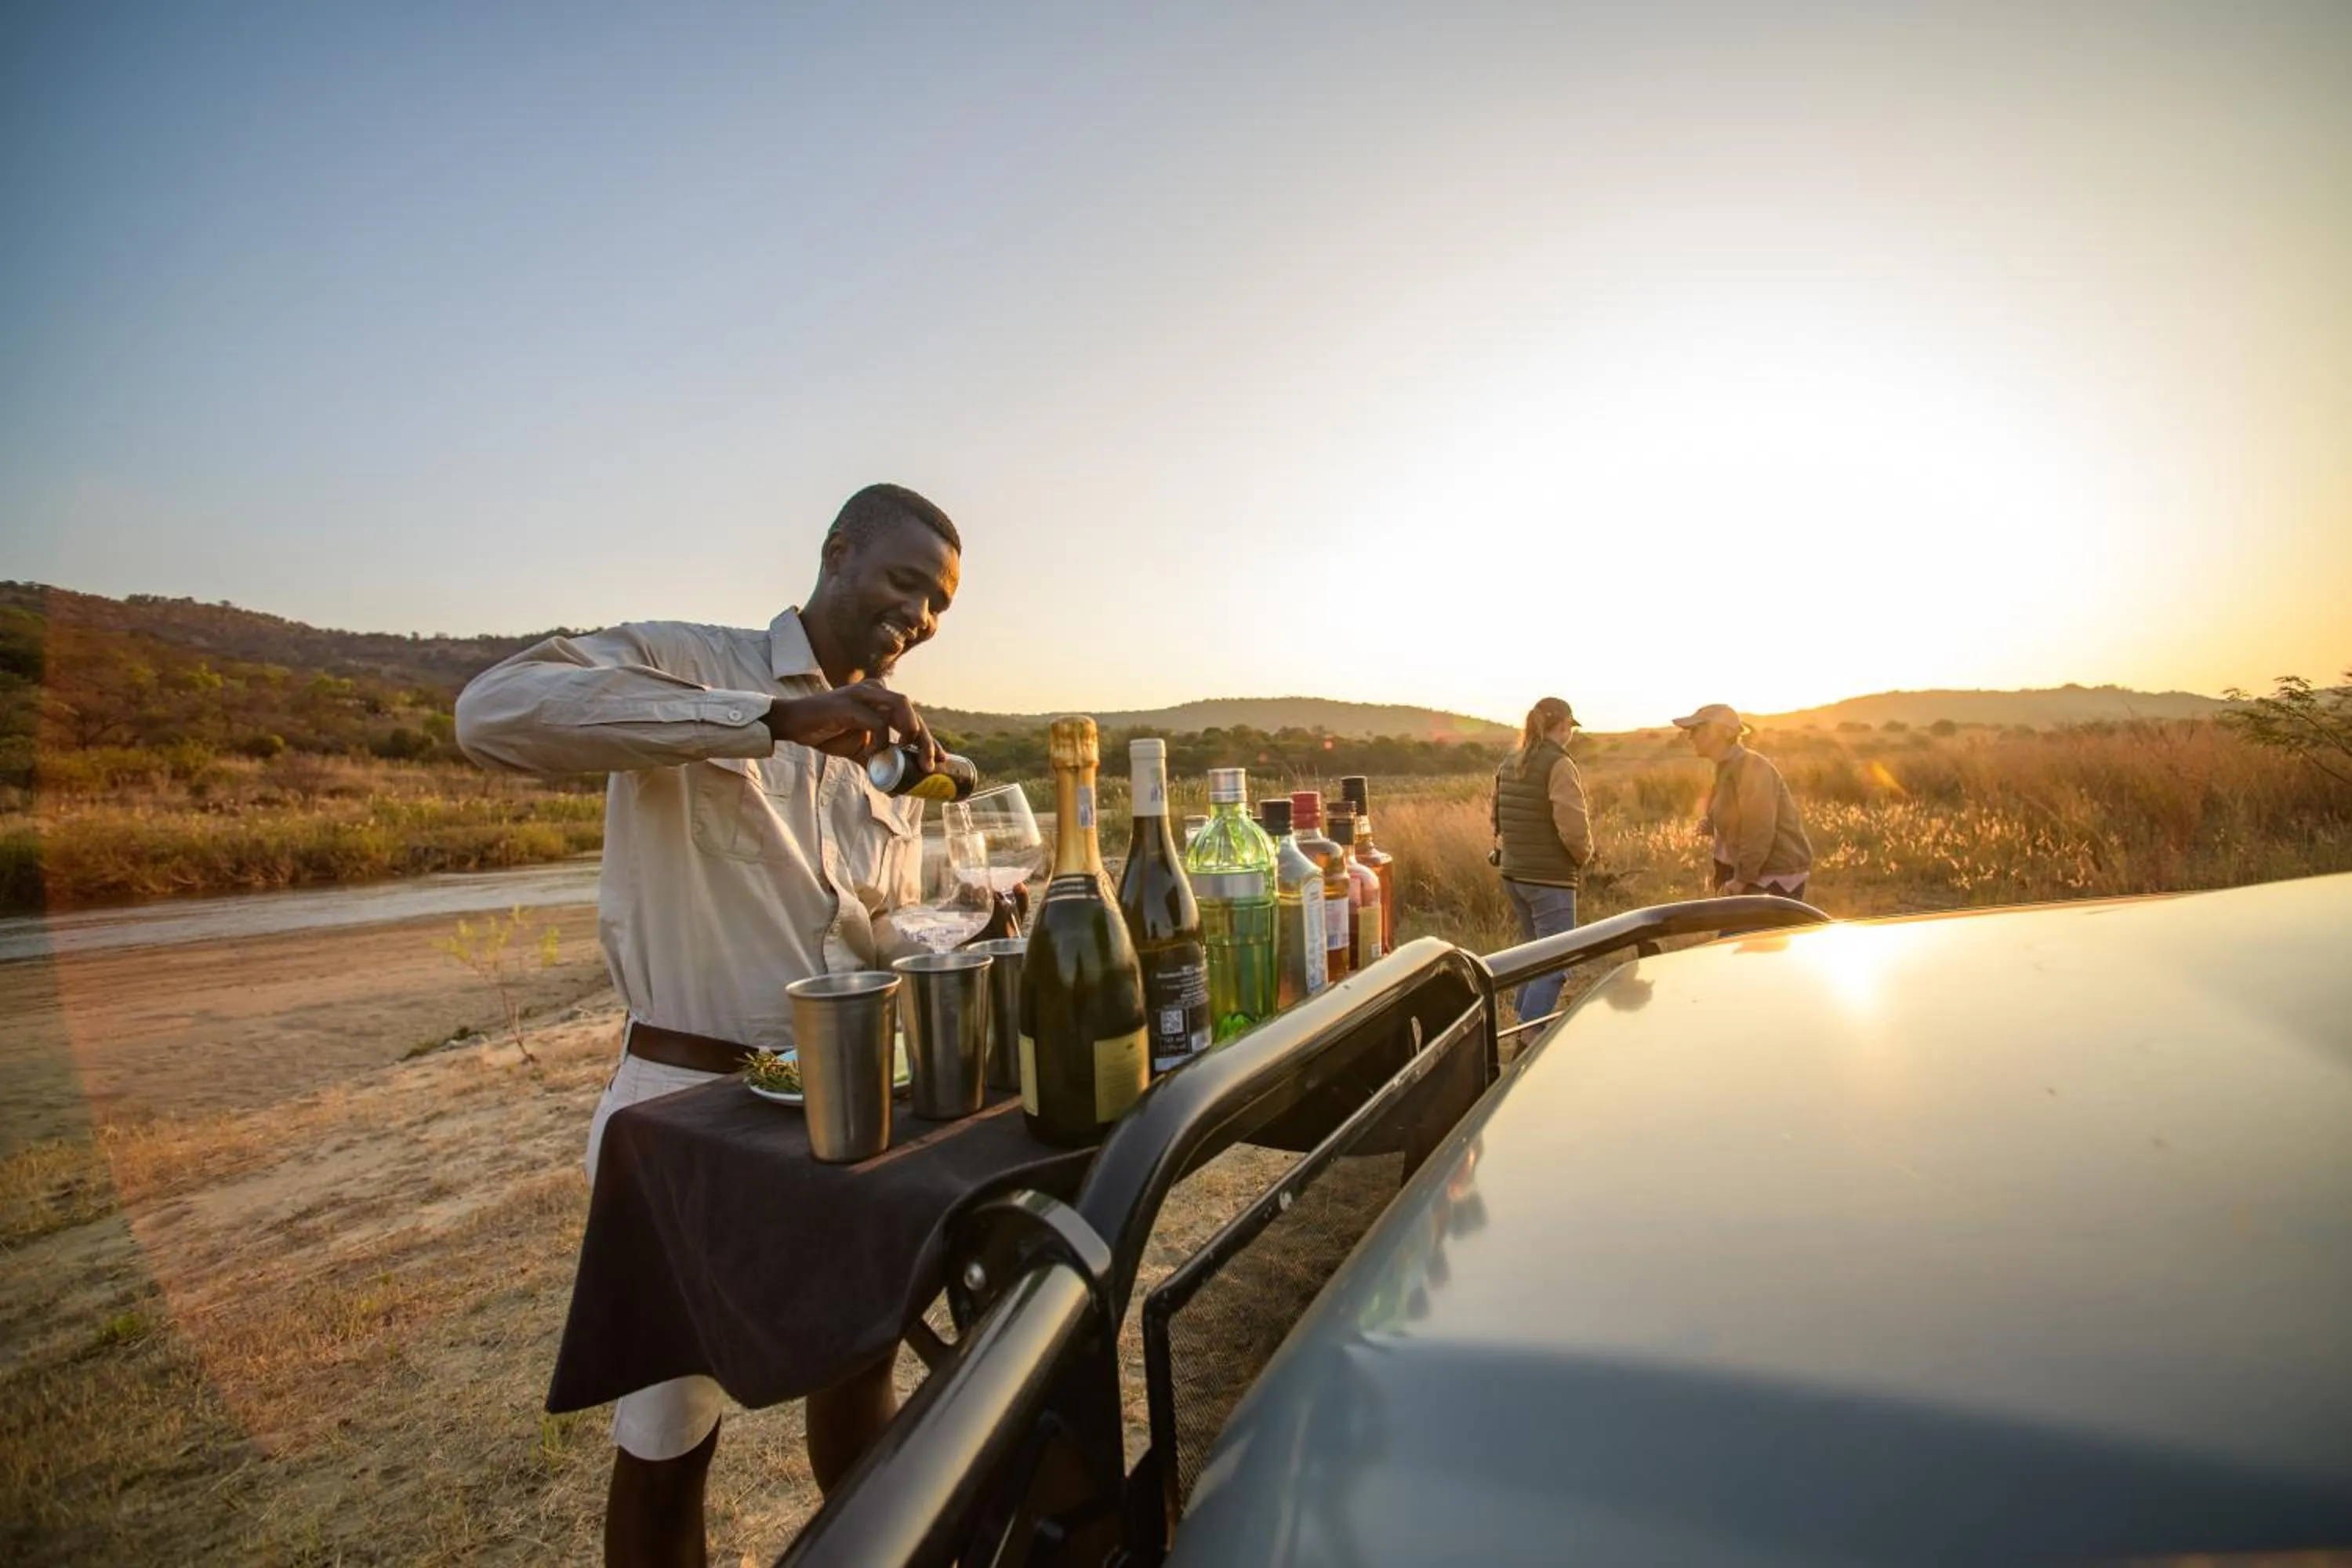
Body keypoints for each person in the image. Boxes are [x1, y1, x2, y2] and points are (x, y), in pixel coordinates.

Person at [456, 481, 975, 1566]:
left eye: (939, 604)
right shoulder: (697, 664)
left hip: (840, 1108)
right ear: (838, 552)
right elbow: (491, 715)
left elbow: (866, 930)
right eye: (904, 580)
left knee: (861, 1372)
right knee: (669, 1443)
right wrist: (767, 720)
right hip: (687, 1118)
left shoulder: (885, 748)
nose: (919, 616)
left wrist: (963, 923)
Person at [1489, 695, 1592, 1022]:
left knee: (1533, 954)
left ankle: (1522, 1021)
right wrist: (1583, 857)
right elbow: (1573, 826)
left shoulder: (1510, 760)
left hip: (1513, 873)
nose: (1571, 734)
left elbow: (1496, 816)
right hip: (1548, 878)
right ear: (1563, 726)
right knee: (1555, 962)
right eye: (1570, 728)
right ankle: (1528, 1034)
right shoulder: (1559, 763)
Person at [1673, 702, 1814, 903]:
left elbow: (1758, 828)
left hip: (1771, 878)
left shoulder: (1752, 768)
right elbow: (1738, 815)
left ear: (1719, 732)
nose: (1690, 737)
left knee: (1739, 935)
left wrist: (1742, 878)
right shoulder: (1727, 768)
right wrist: (1713, 827)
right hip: (1758, 874)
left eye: (1696, 730)